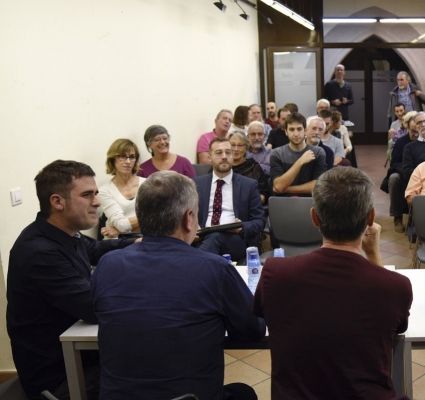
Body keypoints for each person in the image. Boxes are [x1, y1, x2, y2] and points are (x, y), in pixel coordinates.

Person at [92, 171, 265, 400]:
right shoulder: (214, 269)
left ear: (141, 216)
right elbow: (253, 330)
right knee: (244, 393)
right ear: (189, 218)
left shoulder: (107, 265)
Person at [253, 167, 412, 399]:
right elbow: (396, 326)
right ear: (370, 218)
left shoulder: (275, 273)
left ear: (314, 217)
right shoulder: (395, 285)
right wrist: (374, 254)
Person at [7, 160, 135, 399]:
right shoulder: (39, 251)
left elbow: (96, 249)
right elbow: (94, 306)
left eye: (96, 193)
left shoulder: (64, 233)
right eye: (87, 195)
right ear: (57, 202)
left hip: (80, 357)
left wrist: (140, 244)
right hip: (60, 376)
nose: (97, 202)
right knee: (152, 365)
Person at [195, 138, 265, 262]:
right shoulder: (196, 184)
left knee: (215, 237)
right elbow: (185, 216)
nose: (224, 157)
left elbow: (259, 221)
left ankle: (196, 266)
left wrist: (242, 227)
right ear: (209, 157)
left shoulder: (248, 185)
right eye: (218, 153)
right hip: (202, 238)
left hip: (235, 239)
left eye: (228, 152)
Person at [270, 112, 327, 196]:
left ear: (305, 130)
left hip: (309, 202)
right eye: (292, 129)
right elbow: (278, 186)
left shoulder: (318, 152)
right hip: (283, 201)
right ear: (286, 132)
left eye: (299, 129)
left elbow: (318, 186)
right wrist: (300, 161)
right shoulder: (276, 153)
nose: (296, 134)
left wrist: (286, 189)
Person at [98, 139, 146, 238]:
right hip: (116, 243)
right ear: (112, 159)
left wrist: (119, 231)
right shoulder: (104, 190)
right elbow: (122, 225)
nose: (128, 161)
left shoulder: (147, 184)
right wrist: (151, 218)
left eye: (132, 157)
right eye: (123, 157)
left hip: (143, 239)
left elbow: (161, 218)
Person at [387, 111, 418, 232]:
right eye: (412, 131)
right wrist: (407, 171)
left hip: (420, 173)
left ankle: (417, 217)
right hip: (403, 172)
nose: (415, 134)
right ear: (407, 128)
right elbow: (394, 163)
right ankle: (397, 216)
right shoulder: (401, 142)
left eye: (417, 131)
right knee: (394, 179)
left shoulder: (424, 142)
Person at [229, 131, 270, 204]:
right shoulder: (222, 166)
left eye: (240, 145)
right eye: (232, 145)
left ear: (246, 148)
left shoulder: (254, 167)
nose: (236, 149)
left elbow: (264, 195)